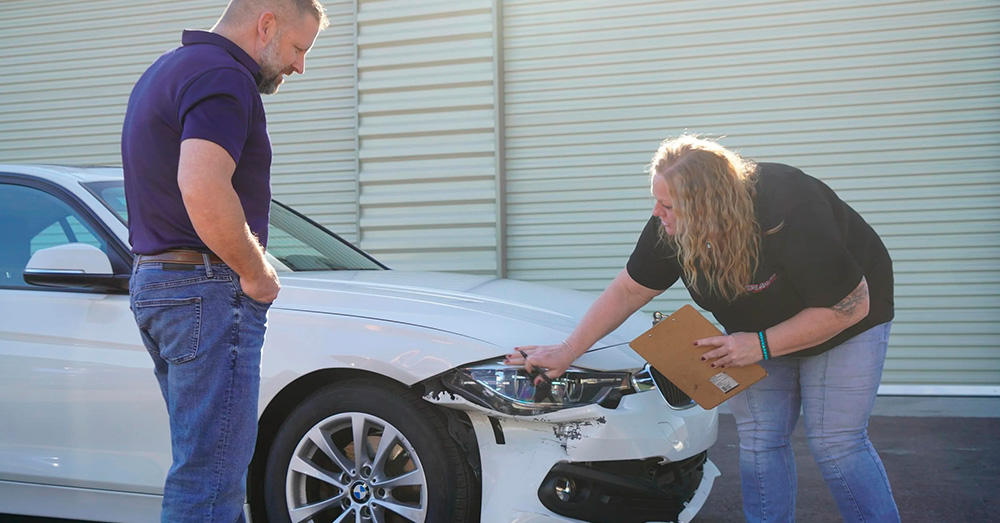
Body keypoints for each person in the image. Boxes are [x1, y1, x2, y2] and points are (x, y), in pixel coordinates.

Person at [507, 135, 900, 522]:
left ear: (706, 207)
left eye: (667, 205)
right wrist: (567, 350)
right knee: (761, 441)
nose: (658, 214)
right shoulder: (672, 226)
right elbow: (629, 289)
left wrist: (761, 344)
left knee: (836, 444)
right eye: (656, 202)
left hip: (843, 319)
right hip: (754, 331)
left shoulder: (789, 208)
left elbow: (848, 306)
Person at [120, 1, 327, 520]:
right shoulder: (224, 75)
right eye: (299, 49)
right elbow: (202, 185)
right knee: (209, 479)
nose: (300, 66)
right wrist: (257, 274)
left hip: (161, 282)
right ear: (266, 24)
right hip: (205, 289)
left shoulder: (167, 68)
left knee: (209, 470)